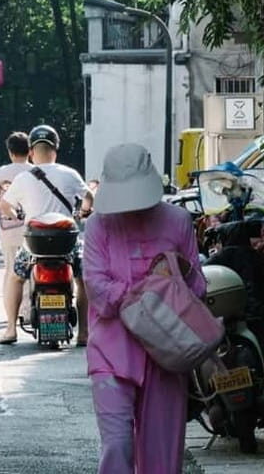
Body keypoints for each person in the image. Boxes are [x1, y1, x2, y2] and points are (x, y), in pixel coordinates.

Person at [82, 143, 206, 474]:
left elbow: (197, 286)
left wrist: (168, 284)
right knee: (116, 445)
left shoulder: (179, 221)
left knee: (162, 459)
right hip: (112, 351)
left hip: (167, 354)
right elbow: (97, 287)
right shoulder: (98, 226)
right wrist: (152, 293)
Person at [0, 124, 94, 345]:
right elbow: (89, 196)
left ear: (31, 151)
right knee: (83, 280)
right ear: (56, 149)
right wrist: (84, 211)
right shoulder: (70, 174)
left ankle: (11, 328)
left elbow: (4, 204)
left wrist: (17, 215)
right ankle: (83, 333)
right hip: (67, 242)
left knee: (15, 277)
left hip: (34, 244)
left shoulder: (23, 177)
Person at [0, 132, 33, 345]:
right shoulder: (35, 171)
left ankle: (11, 318)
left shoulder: (3, 171)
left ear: (11, 152)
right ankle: (29, 311)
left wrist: (4, 209)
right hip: (33, 227)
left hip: (9, 227)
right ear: (30, 150)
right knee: (34, 269)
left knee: (11, 270)